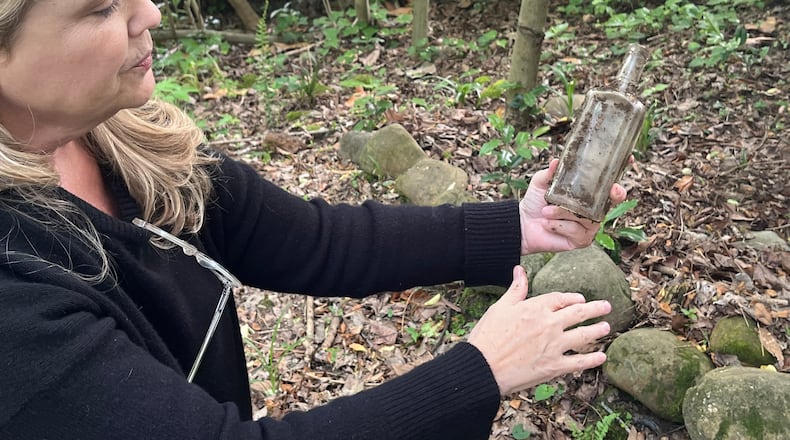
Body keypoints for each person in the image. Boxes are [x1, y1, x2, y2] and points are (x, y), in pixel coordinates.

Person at [0, 1, 627, 439]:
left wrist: (518, 226)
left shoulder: (123, 143)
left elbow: (310, 240)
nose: (152, 14)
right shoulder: (15, 301)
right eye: (102, 5)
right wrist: (481, 370)